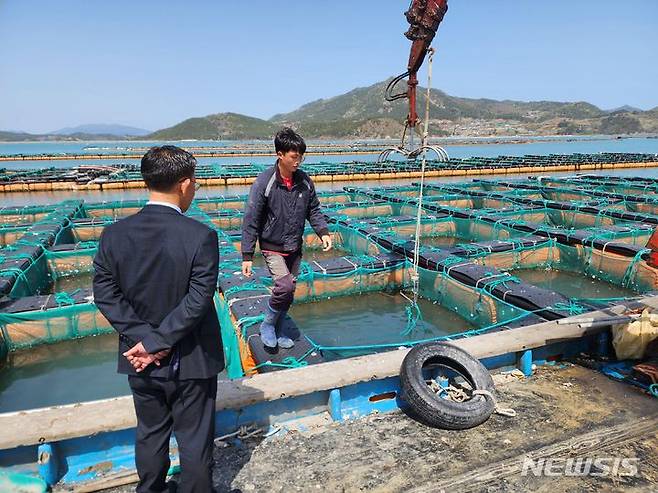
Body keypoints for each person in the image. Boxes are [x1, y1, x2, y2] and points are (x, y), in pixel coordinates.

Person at [93, 145, 223, 493]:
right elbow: (198, 300)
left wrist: (144, 341)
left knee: (150, 432)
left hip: (138, 358)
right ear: (184, 184)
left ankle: (151, 489)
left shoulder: (114, 235)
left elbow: (106, 295)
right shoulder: (200, 236)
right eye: (194, 181)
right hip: (191, 358)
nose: (194, 188)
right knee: (194, 440)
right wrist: (157, 342)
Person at [241, 128, 331, 349]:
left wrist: (323, 232)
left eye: (300, 156)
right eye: (294, 156)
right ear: (280, 154)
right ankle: (268, 325)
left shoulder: (304, 181)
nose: (298, 161)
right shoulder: (265, 182)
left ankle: (279, 327)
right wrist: (247, 255)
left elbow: (314, 210)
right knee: (285, 287)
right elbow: (251, 217)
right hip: (272, 245)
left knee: (290, 291)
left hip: (294, 246)